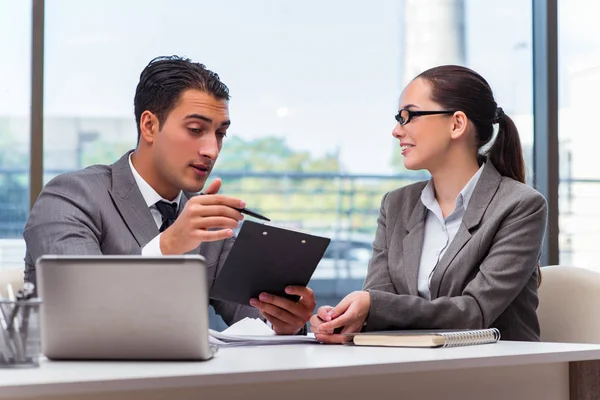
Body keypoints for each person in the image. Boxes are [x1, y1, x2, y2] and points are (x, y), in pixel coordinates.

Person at [23, 55, 314, 335]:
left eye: (220, 134)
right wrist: (168, 245)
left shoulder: (206, 222)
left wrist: (284, 321)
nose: (211, 150)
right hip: (76, 382)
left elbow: (254, 318)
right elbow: (82, 302)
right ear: (149, 126)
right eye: (195, 129)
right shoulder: (70, 198)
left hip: (186, 382)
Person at [310, 65, 548, 342]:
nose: (396, 131)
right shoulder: (396, 204)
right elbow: (380, 298)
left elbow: (475, 311)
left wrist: (373, 307)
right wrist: (347, 319)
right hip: (409, 366)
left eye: (408, 116)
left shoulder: (520, 205)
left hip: (494, 370)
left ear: (457, 124)